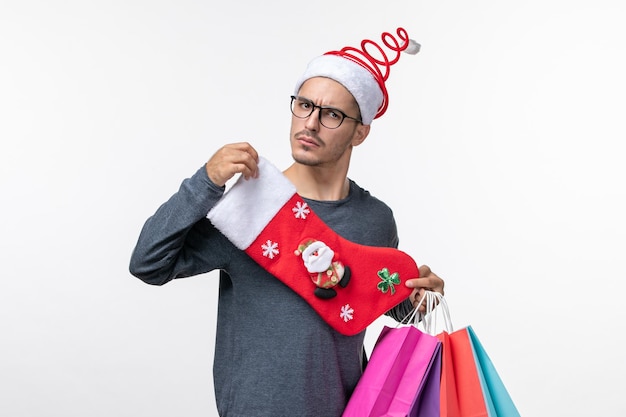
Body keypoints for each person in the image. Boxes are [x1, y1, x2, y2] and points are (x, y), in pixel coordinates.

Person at [129, 27, 445, 417]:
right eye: (304, 105)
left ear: (359, 132)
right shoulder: (249, 206)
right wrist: (204, 184)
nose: (310, 123)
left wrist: (415, 296)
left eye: (332, 114)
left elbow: (365, 299)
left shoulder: (375, 219)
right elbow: (148, 263)